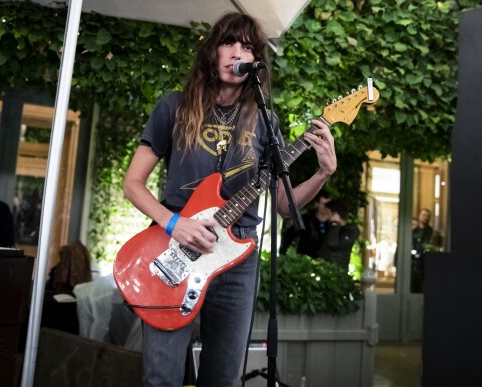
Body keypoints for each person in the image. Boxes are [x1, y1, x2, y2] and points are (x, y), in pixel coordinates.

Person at [122, 12, 336, 387]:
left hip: (238, 262)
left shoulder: (264, 120)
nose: (237, 52)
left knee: (222, 379)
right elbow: (133, 184)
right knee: (161, 377)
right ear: (212, 49)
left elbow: (285, 206)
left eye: (248, 46)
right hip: (175, 245)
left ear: (257, 61)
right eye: (229, 42)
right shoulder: (174, 106)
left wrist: (322, 173)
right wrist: (175, 223)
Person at [279, 189, 331, 258]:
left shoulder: (332, 222)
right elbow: (288, 235)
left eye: (329, 204)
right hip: (304, 260)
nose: (327, 207)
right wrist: (284, 255)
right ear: (317, 204)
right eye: (324, 204)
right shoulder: (306, 219)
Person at [319, 200, 359, 269]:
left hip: (337, 270)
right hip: (327, 268)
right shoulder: (333, 227)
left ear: (336, 214)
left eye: (328, 213)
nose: (327, 217)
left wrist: (335, 223)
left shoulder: (350, 231)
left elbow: (332, 244)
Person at [411, 208, 433, 293]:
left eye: (428, 216)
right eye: (424, 215)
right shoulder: (414, 231)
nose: (426, 218)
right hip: (413, 263)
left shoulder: (430, 231)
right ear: (419, 216)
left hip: (424, 262)